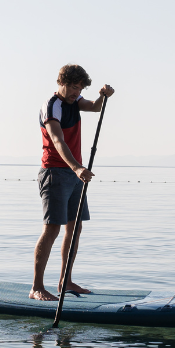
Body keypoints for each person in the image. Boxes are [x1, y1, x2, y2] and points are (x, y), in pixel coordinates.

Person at [29, 64, 114, 301]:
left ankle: (65, 282)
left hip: (75, 174)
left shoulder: (75, 102)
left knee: (74, 227)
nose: (77, 92)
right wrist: (76, 167)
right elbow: (57, 139)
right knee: (52, 229)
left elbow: (96, 108)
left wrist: (103, 94)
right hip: (55, 173)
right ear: (62, 82)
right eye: (74, 87)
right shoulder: (52, 105)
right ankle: (36, 287)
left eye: (80, 88)